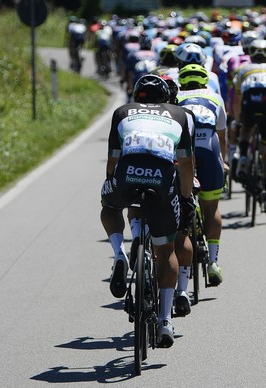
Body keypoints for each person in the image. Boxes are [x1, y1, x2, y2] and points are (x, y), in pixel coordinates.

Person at [100, 75, 195, 348]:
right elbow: (187, 162)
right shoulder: (179, 114)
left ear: (136, 94)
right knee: (166, 251)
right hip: (162, 177)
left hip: (128, 172)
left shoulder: (122, 112)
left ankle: (119, 253)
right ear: (165, 98)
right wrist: (185, 197)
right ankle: (165, 319)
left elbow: (113, 159)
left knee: (109, 206)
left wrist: (112, 182)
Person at [177, 64, 228, 286]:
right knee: (212, 206)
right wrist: (223, 161)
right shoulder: (215, 97)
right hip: (209, 149)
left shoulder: (176, 96)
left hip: (185, 150)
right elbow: (222, 135)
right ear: (205, 81)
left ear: (182, 82)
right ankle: (213, 262)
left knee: (180, 204)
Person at [234, 39, 266, 214]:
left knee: (246, 129)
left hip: (249, 105)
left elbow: (237, 98)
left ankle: (242, 157)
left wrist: (238, 119)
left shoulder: (242, 70)